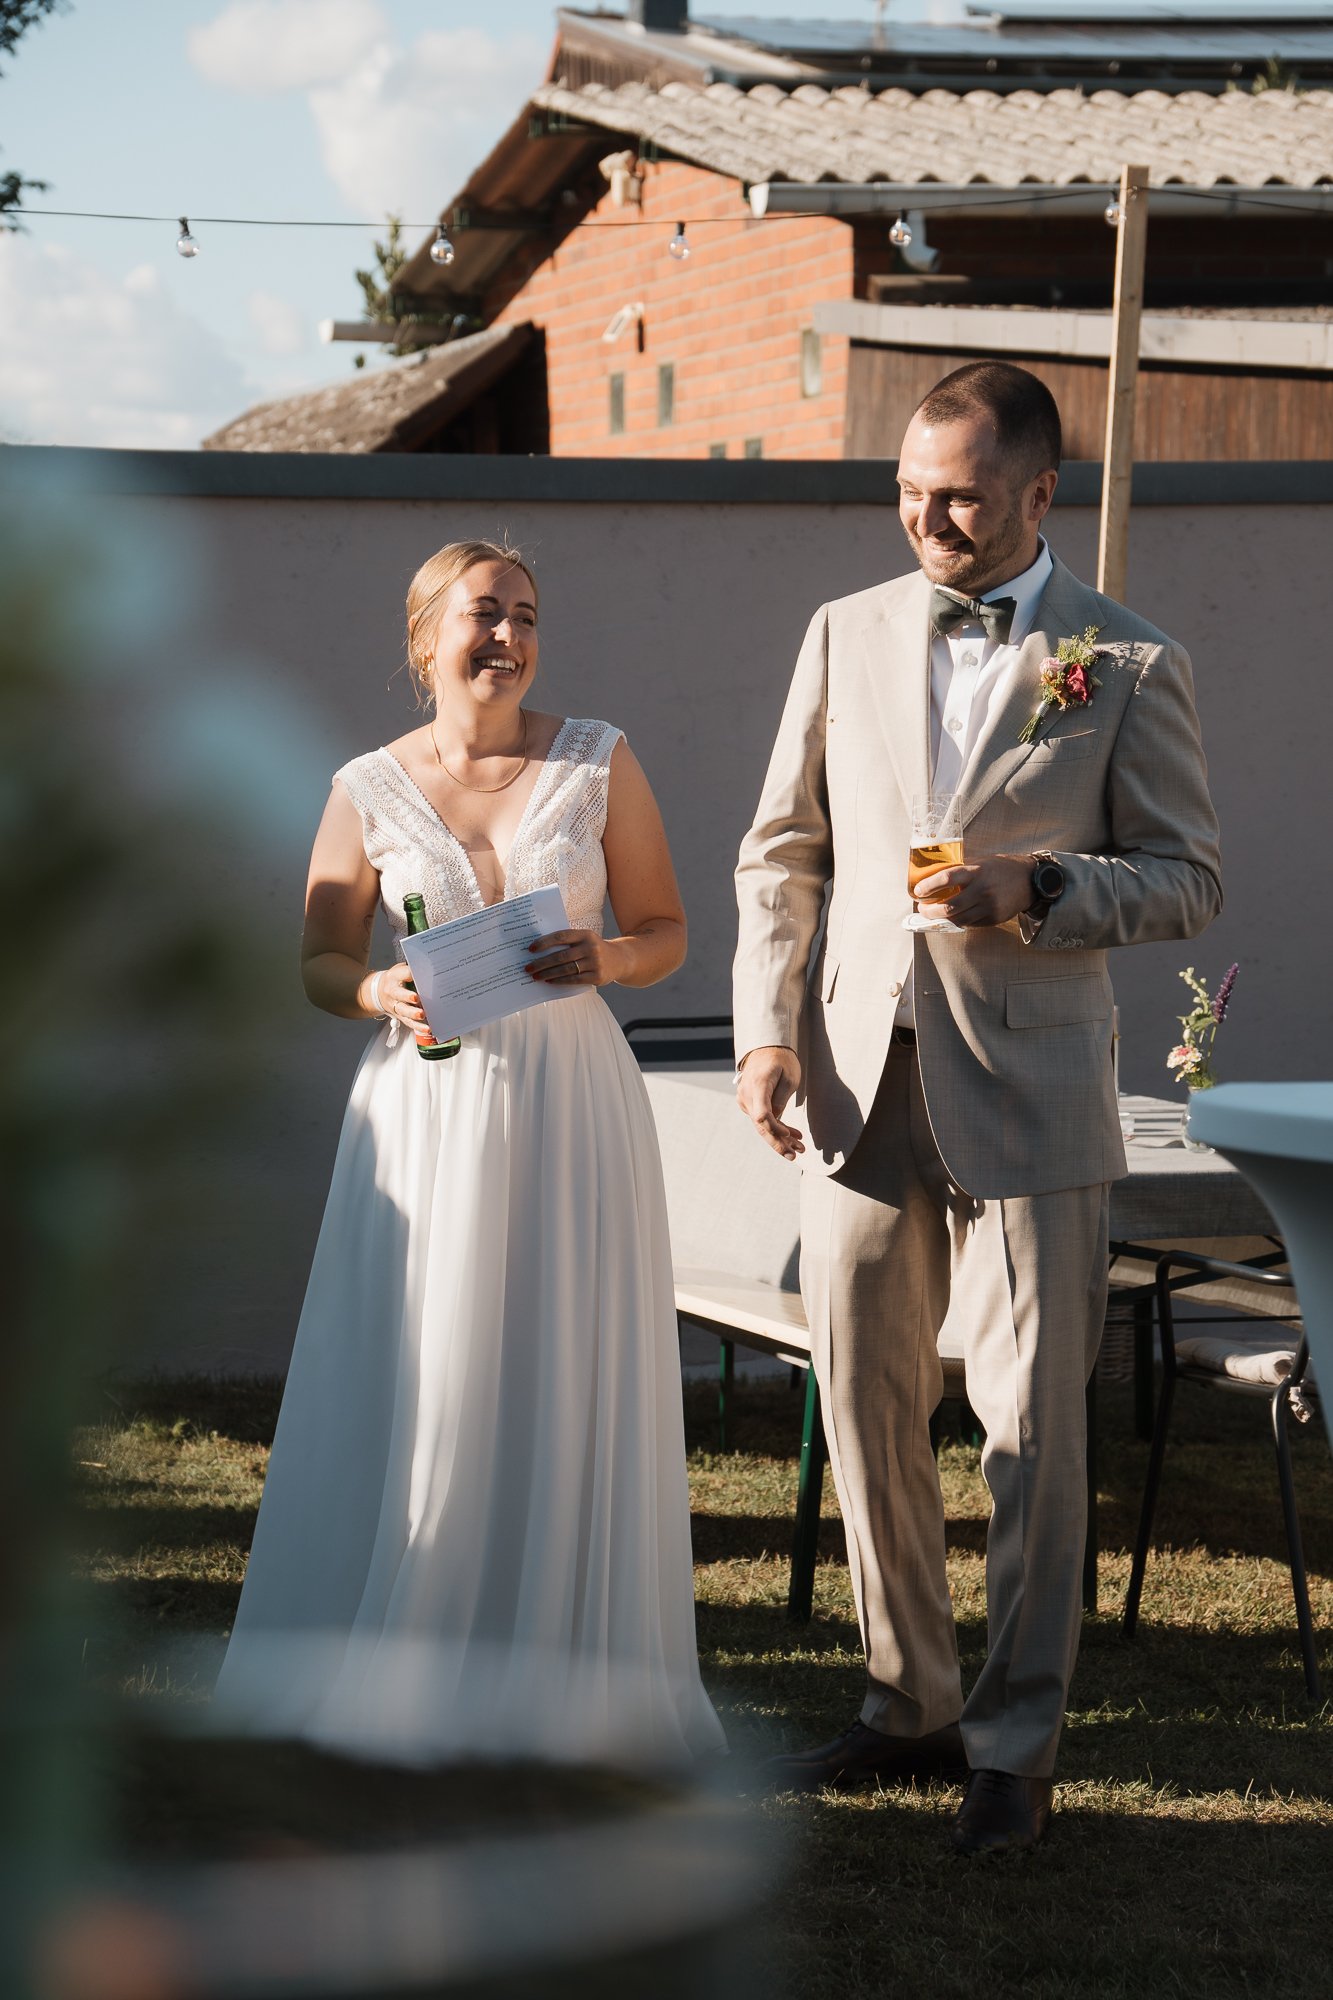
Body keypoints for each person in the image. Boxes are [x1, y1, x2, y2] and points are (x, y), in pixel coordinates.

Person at [733, 363, 1220, 1851]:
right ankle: (908, 1705)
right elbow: (782, 853)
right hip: (859, 1080)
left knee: (1027, 1429)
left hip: (1034, 1084)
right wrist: (769, 1032)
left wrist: (1042, 887)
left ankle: (1016, 1742)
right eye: (904, 491)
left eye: (954, 495)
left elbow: (1189, 876)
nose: (923, 519)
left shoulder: (1124, 661)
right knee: (868, 1405)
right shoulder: (841, 630)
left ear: (1035, 496)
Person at [215, 539, 724, 1769]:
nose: (507, 636)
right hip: (430, 1109)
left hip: (573, 1097)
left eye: (527, 616)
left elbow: (665, 929)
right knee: (434, 1360)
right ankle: (410, 1645)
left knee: (565, 1351)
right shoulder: (364, 786)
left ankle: (571, 1663)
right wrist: (374, 985)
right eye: (484, 614)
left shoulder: (598, 757)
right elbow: (319, 960)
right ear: (424, 635)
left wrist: (608, 958)